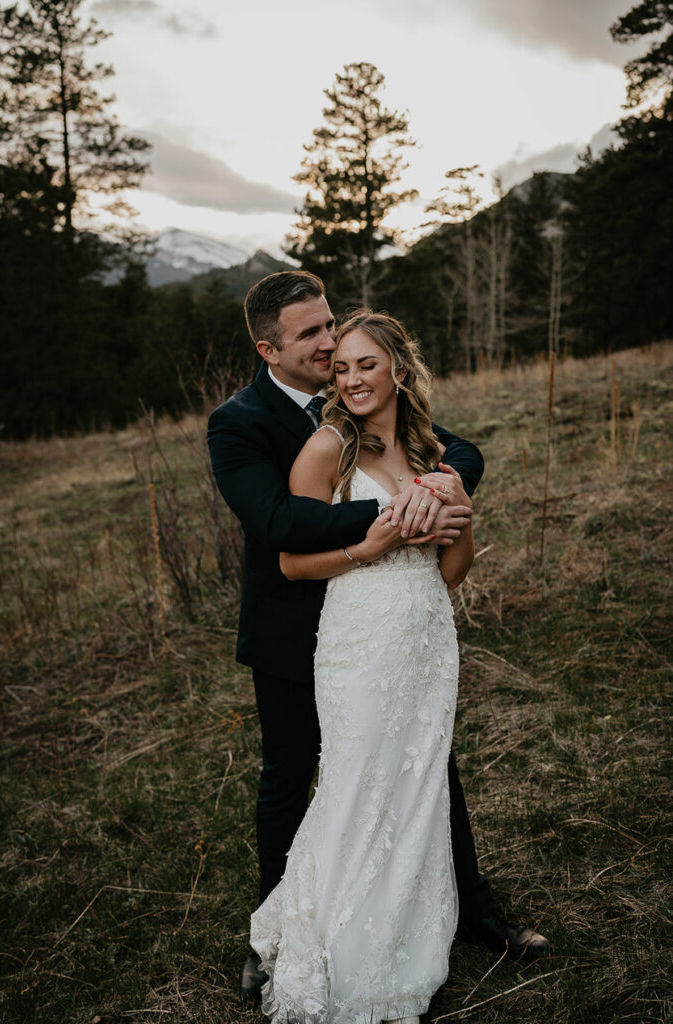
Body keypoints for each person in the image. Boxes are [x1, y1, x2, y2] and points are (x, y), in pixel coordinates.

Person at [206, 271, 549, 1006]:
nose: (331, 346)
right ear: (269, 348)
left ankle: (471, 910)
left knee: (428, 767)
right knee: (290, 777)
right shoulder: (240, 423)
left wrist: (442, 487)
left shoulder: (383, 408)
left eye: (331, 326)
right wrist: (393, 523)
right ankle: (278, 934)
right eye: (313, 336)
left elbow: (461, 453)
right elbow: (279, 529)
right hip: (304, 631)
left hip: (403, 632)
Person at [251, 310, 474, 1024]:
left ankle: (407, 926)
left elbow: (451, 568)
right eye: (339, 368)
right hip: (358, 643)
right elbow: (289, 562)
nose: (348, 379)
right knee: (358, 784)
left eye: (364, 365)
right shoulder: (325, 449)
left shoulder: (431, 451)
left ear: (398, 371)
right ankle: (339, 941)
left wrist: (459, 520)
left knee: (415, 785)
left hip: (425, 637)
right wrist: (369, 550)